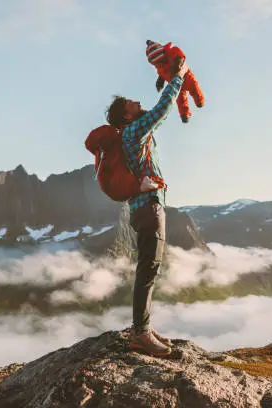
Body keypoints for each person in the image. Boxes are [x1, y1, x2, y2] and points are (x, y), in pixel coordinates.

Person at [105, 58, 189, 357]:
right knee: (148, 269)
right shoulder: (132, 131)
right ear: (125, 117)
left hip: (146, 207)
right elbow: (161, 110)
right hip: (149, 209)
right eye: (131, 102)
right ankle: (140, 333)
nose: (136, 101)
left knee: (149, 269)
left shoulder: (130, 133)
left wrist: (166, 79)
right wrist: (177, 78)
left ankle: (144, 327)